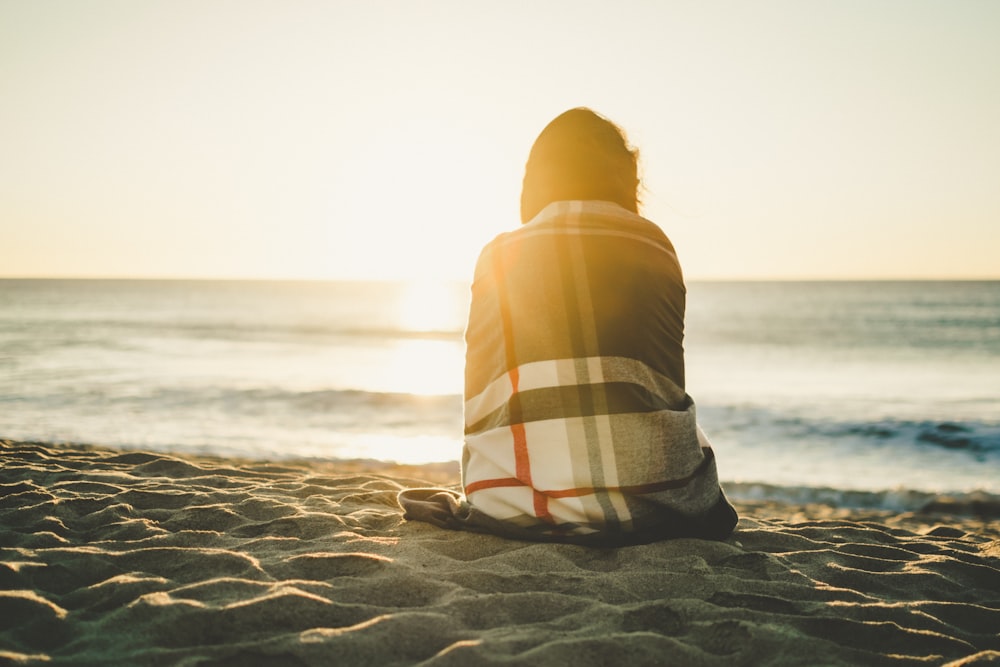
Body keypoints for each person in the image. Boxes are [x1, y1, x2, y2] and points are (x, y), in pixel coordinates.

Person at [399, 108, 737, 545]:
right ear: (624, 178)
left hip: (512, 505)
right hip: (656, 503)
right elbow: (662, 384)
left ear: (535, 179)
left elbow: (481, 398)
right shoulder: (653, 244)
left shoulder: (498, 257)